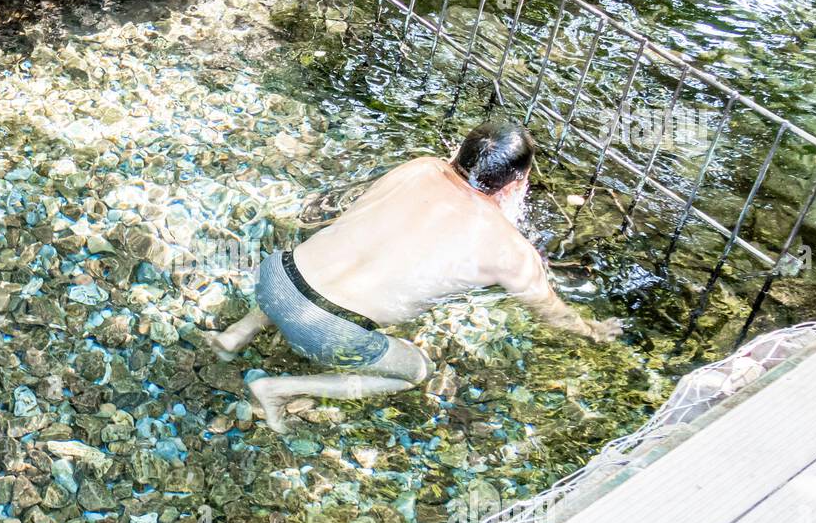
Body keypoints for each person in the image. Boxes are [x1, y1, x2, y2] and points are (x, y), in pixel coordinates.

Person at [206, 120, 623, 433]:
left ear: (458, 154)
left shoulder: (418, 167)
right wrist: (592, 331)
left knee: (318, 269)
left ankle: (236, 334)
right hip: (331, 332)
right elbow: (549, 311)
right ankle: (280, 389)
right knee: (414, 372)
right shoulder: (510, 250)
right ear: (518, 184)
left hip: (275, 275)